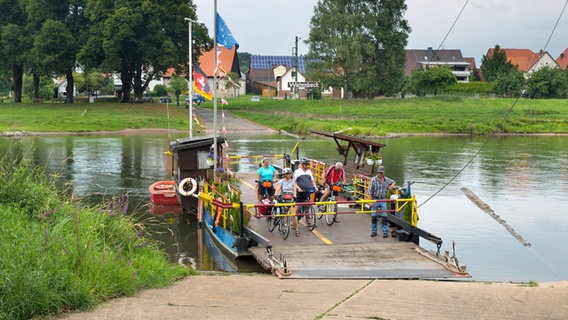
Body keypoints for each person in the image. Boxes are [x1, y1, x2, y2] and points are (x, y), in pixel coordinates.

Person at [367, 166, 395, 238]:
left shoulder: (386, 179)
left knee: (384, 217)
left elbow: (393, 182)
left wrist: (391, 186)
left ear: (383, 173)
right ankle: (374, 231)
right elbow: (369, 192)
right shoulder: (373, 180)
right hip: (375, 199)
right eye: (379, 172)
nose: (380, 174)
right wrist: (371, 202)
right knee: (374, 216)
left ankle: (385, 232)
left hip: (383, 199)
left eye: (381, 173)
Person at [293, 157, 317, 233]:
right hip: (300, 192)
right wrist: (298, 188)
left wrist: (315, 187)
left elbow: (312, 181)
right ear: (302, 165)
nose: (307, 166)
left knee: (308, 206)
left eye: (308, 164)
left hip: (307, 191)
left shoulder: (309, 171)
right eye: (306, 164)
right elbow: (294, 182)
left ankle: (308, 222)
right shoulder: (297, 172)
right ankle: (294, 221)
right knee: (297, 208)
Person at [274, 167, 298, 236]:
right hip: (283, 198)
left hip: (290, 198)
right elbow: (278, 188)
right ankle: (284, 227)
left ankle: (296, 230)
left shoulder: (292, 181)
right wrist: (276, 194)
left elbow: (294, 188)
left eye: (290, 174)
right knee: (284, 213)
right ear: (285, 174)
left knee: (293, 215)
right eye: (288, 174)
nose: (290, 175)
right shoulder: (281, 181)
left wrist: (295, 194)